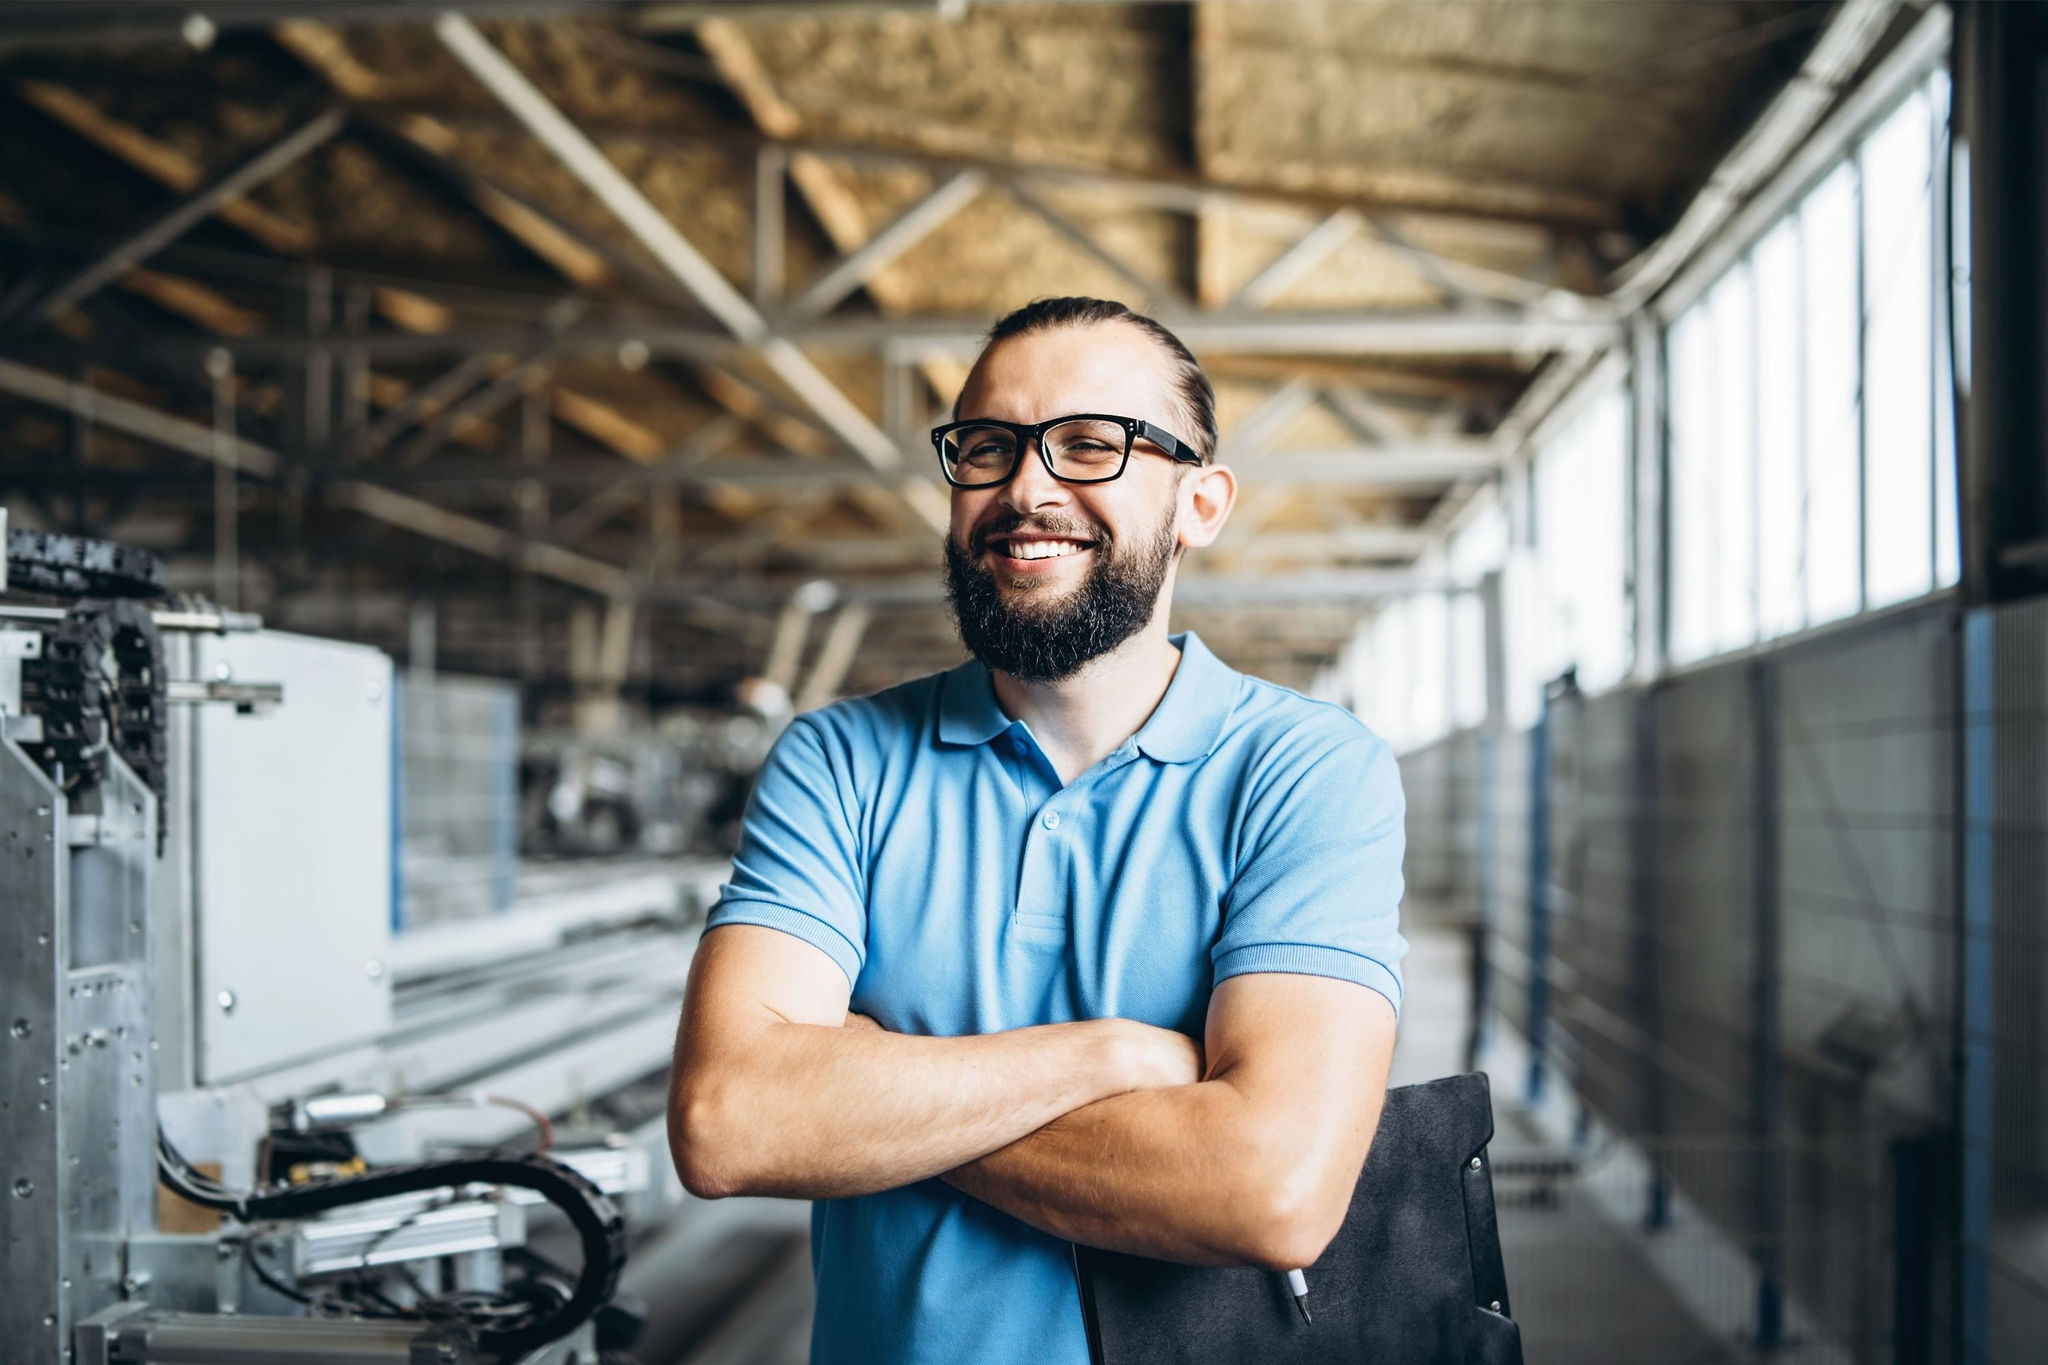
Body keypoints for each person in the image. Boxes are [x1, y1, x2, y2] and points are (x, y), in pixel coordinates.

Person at [669, 297, 1407, 1365]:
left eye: (1088, 445)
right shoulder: (840, 760)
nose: (1024, 488)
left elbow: (1270, 1189)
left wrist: (870, 1096)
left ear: (1200, 503)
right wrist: (1113, 1058)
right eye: (987, 447)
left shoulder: (1303, 769)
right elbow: (729, 1121)